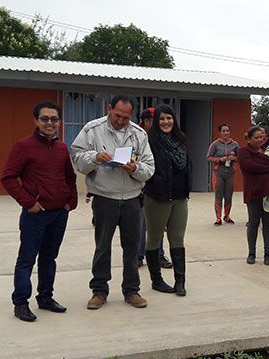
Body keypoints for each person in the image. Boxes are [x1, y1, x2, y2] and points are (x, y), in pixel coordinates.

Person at [71, 95, 155, 309]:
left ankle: (131, 291)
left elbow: (149, 168)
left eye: (125, 117)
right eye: (117, 116)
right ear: (109, 109)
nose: (120, 121)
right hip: (104, 198)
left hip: (132, 199)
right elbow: (77, 158)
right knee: (102, 246)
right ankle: (99, 291)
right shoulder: (92, 129)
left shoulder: (138, 134)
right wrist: (95, 157)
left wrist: (134, 168)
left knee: (132, 247)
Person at [1, 101, 77, 322]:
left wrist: (69, 202)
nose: (50, 123)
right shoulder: (23, 147)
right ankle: (21, 303)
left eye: (54, 119)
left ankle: (45, 298)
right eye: (45, 119)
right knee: (27, 259)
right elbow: (8, 178)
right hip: (36, 215)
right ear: (36, 121)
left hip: (58, 214)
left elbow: (70, 177)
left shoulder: (62, 147)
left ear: (59, 122)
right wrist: (28, 203)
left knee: (49, 258)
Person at [142, 105, 192, 296]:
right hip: (157, 197)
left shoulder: (182, 139)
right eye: (162, 119)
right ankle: (157, 280)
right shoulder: (150, 141)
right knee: (154, 239)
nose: (165, 122)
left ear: (174, 120)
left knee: (177, 238)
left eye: (169, 118)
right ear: (156, 121)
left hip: (180, 198)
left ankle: (180, 281)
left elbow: (187, 166)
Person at [238, 126, 269, 265]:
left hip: (268, 192)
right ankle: (251, 253)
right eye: (256, 137)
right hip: (253, 192)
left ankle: (268, 254)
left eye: (262, 137)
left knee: (268, 224)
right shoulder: (243, 152)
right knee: (253, 223)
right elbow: (249, 166)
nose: (260, 140)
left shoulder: (268, 151)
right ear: (249, 139)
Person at [137, 107, 171, 269]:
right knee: (140, 224)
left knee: (158, 224)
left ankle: (159, 255)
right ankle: (138, 255)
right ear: (146, 122)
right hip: (140, 187)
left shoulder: (163, 139)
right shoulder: (137, 137)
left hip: (158, 187)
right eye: (154, 120)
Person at [207, 123, 239, 226]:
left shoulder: (235, 144)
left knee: (229, 195)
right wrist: (219, 159)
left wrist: (233, 158)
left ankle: (227, 216)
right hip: (218, 172)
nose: (226, 133)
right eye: (223, 131)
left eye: (227, 131)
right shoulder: (215, 144)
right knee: (218, 195)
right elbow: (208, 157)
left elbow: (240, 157)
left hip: (230, 172)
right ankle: (218, 217)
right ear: (219, 132)